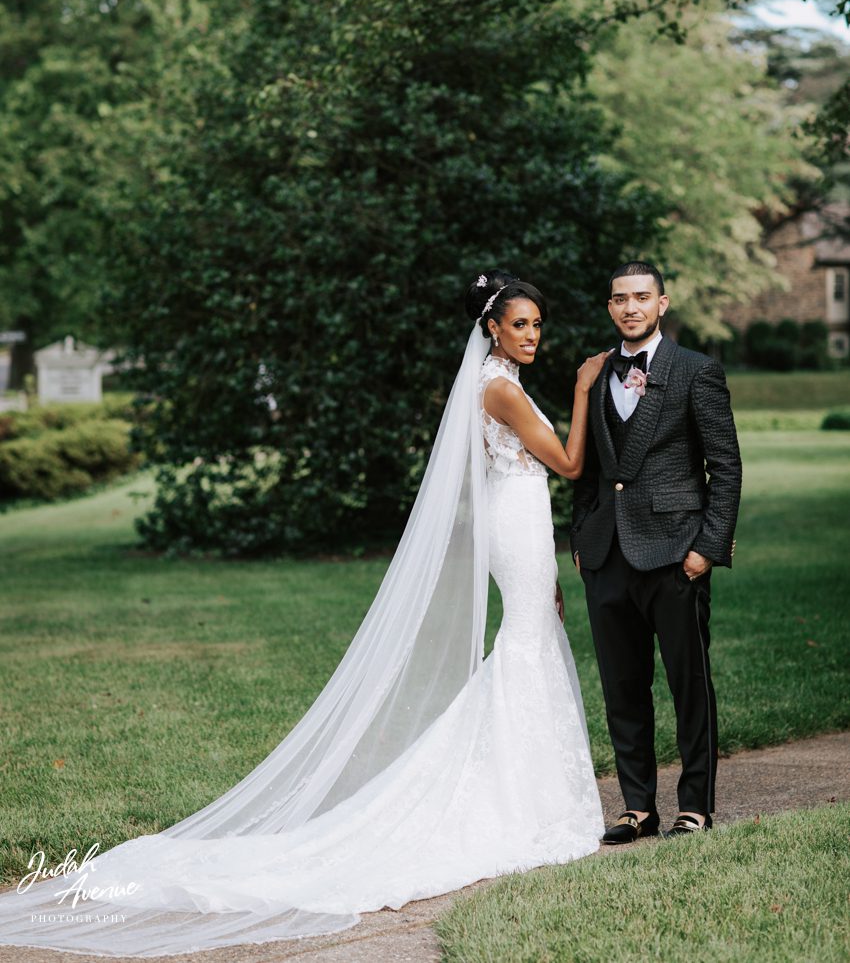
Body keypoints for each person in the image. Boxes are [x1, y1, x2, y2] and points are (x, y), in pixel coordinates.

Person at [0, 270, 609, 958]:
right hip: (517, 522)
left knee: (529, 635)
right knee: (526, 641)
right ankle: (524, 800)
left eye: (537, 324)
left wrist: (548, 564)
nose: (532, 335)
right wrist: (586, 387)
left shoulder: (495, 382)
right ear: (492, 328)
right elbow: (566, 460)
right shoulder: (497, 387)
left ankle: (526, 790)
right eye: (520, 324)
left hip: (522, 529)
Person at [569, 261, 742, 843]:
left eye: (642, 297)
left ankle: (695, 805)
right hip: (607, 555)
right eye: (619, 299)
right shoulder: (595, 373)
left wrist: (707, 548)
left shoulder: (696, 371)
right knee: (622, 686)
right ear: (610, 306)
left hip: (675, 553)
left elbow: (726, 465)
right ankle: (637, 806)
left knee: (689, 683)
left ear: (662, 304)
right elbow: (586, 468)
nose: (630, 308)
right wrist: (580, 535)